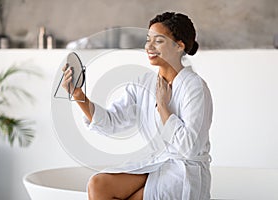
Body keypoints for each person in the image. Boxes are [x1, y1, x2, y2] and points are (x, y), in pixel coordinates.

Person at [62, 12, 213, 200]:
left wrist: (164, 108)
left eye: (158, 41)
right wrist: (78, 95)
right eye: (148, 40)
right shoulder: (143, 84)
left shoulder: (195, 87)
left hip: (183, 173)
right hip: (157, 163)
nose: (148, 46)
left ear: (179, 46)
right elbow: (111, 122)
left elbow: (189, 147)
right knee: (98, 185)